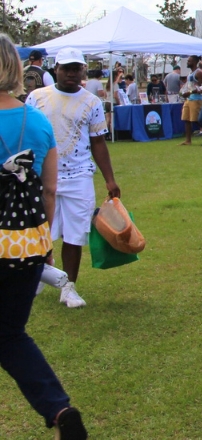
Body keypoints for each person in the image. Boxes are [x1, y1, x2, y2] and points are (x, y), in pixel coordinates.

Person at [0, 35, 89, 438]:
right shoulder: (35, 120)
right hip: (24, 241)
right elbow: (48, 190)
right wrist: (42, 241)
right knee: (11, 335)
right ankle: (59, 409)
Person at [25, 46, 120, 309]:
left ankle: (69, 288)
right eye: (65, 68)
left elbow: (98, 142)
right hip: (42, 175)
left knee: (75, 234)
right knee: (40, 231)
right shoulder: (36, 97)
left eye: (76, 68)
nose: (71, 73)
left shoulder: (92, 102)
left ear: (83, 71)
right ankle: (42, 275)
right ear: (55, 69)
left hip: (79, 175)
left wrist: (109, 179)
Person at [181, 56, 202, 145]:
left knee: (197, 120)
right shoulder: (190, 73)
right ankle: (188, 140)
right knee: (186, 119)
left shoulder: (198, 73)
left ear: (194, 62)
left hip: (196, 99)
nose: (187, 63)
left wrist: (190, 92)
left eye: (189, 61)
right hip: (189, 99)